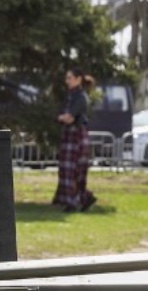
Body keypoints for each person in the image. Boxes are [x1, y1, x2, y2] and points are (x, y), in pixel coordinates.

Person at [53, 67, 97, 213]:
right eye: (66, 78)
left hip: (76, 135)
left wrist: (61, 117)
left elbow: (69, 117)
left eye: (70, 78)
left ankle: (74, 201)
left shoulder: (80, 97)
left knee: (74, 170)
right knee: (66, 170)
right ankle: (81, 198)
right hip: (69, 134)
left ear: (78, 79)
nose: (67, 81)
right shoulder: (71, 96)